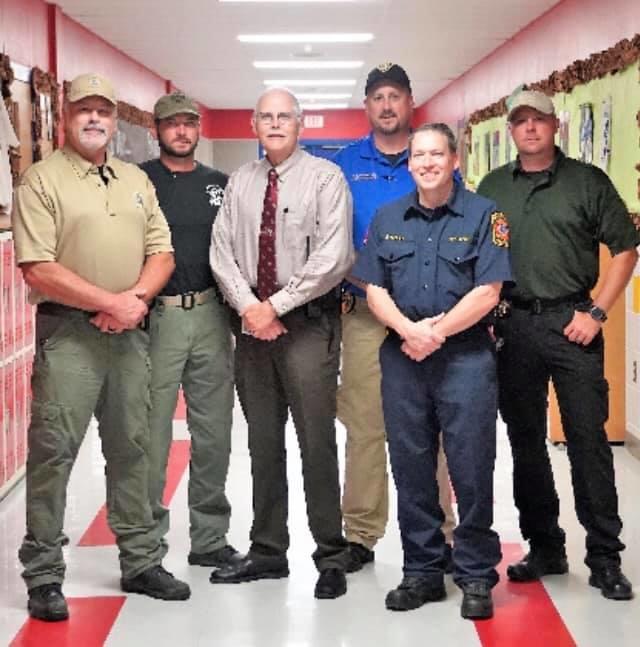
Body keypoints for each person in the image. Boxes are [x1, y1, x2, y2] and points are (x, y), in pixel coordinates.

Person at [12, 73, 190, 622]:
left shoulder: (135, 178)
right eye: (85, 109)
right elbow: (37, 264)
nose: (95, 119)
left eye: (104, 111)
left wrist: (132, 299)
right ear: (65, 115)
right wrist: (109, 303)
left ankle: (140, 560)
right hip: (70, 336)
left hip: (131, 334)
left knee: (134, 447)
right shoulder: (41, 180)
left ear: (115, 121)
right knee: (54, 453)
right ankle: (43, 574)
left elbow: (162, 250)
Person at [478, 89, 637, 600]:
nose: (530, 129)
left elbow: (626, 250)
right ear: (511, 130)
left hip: (574, 324)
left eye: (538, 120)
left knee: (588, 443)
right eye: (520, 121)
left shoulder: (586, 183)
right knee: (525, 444)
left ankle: (605, 557)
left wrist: (597, 313)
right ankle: (545, 545)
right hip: (513, 326)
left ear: (555, 126)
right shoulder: (493, 186)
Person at [352, 123, 511, 619]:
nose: (426, 162)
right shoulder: (387, 216)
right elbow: (373, 288)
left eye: (436, 154)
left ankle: (477, 575)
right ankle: (422, 570)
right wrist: (407, 330)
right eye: (418, 155)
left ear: (454, 159)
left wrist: (434, 334)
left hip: (465, 358)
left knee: (471, 466)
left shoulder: (487, 216)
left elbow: (489, 291)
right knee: (411, 466)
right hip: (403, 358)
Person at [209, 87, 354, 599]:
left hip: (307, 327)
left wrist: (278, 305)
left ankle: (331, 555)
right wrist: (251, 307)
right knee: (262, 443)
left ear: (299, 124)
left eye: (284, 117)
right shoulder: (240, 183)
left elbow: (335, 256)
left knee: (316, 443)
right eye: (265, 117)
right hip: (252, 331)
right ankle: (268, 550)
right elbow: (221, 251)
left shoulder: (325, 178)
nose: (274, 124)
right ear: (254, 124)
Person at [334, 62, 456, 571]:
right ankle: (360, 534)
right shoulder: (343, 164)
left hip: (430, 320)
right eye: (378, 97)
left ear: (410, 102)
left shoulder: (431, 158)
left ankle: (440, 533)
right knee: (365, 428)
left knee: (434, 427)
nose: (387, 105)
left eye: (396, 96)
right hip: (364, 314)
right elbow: (333, 242)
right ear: (368, 106)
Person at [140, 92, 239, 569]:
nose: (181, 131)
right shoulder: (137, 181)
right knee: (151, 433)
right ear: (156, 130)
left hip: (211, 315)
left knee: (214, 431)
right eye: (171, 124)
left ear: (199, 130)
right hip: (156, 318)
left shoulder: (220, 184)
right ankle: (147, 543)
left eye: (189, 124)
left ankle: (209, 538)